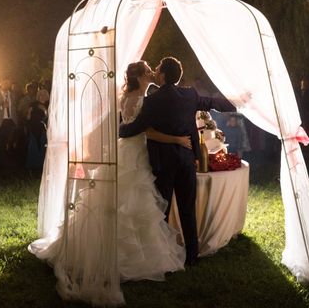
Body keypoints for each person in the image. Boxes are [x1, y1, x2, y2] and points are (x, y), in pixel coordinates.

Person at [29, 61, 189, 294]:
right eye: (149, 72)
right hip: (137, 152)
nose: (153, 73)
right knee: (135, 198)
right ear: (143, 77)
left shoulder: (126, 97)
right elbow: (142, 128)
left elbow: (124, 126)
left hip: (124, 148)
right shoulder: (144, 100)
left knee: (118, 198)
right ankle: (133, 257)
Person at [119, 57, 235, 266]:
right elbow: (212, 103)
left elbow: (138, 127)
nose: (154, 72)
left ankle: (161, 255)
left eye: (156, 70)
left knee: (160, 210)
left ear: (162, 76)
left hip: (163, 163)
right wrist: (237, 103)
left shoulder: (153, 101)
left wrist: (119, 130)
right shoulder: (189, 94)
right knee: (187, 209)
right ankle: (192, 255)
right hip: (186, 159)